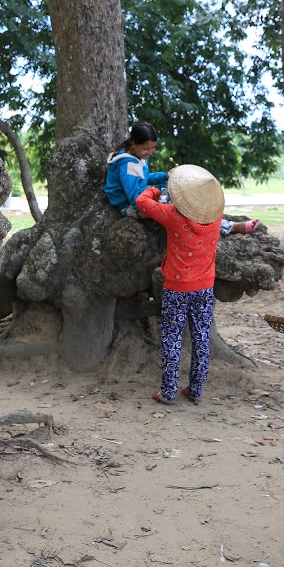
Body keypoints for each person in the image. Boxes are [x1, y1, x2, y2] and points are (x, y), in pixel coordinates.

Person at [135, 164, 224, 405]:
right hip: (205, 288)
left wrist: (154, 190)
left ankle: (169, 391)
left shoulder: (173, 215)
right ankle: (195, 389)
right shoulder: (216, 218)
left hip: (176, 289)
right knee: (201, 337)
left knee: (172, 338)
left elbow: (142, 203)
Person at [104, 122, 259, 234]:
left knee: (181, 199)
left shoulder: (138, 156)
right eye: (145, 148)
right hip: (130, 207)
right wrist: (159, 198)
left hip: (141, 198)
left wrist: (166, 175)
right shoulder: (127, 165)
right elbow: (136, 199)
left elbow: (144, 178)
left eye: (153, 148)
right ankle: (228, 227)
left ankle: (222, 223)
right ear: (133, 143)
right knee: (183, 208)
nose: (149, 152)